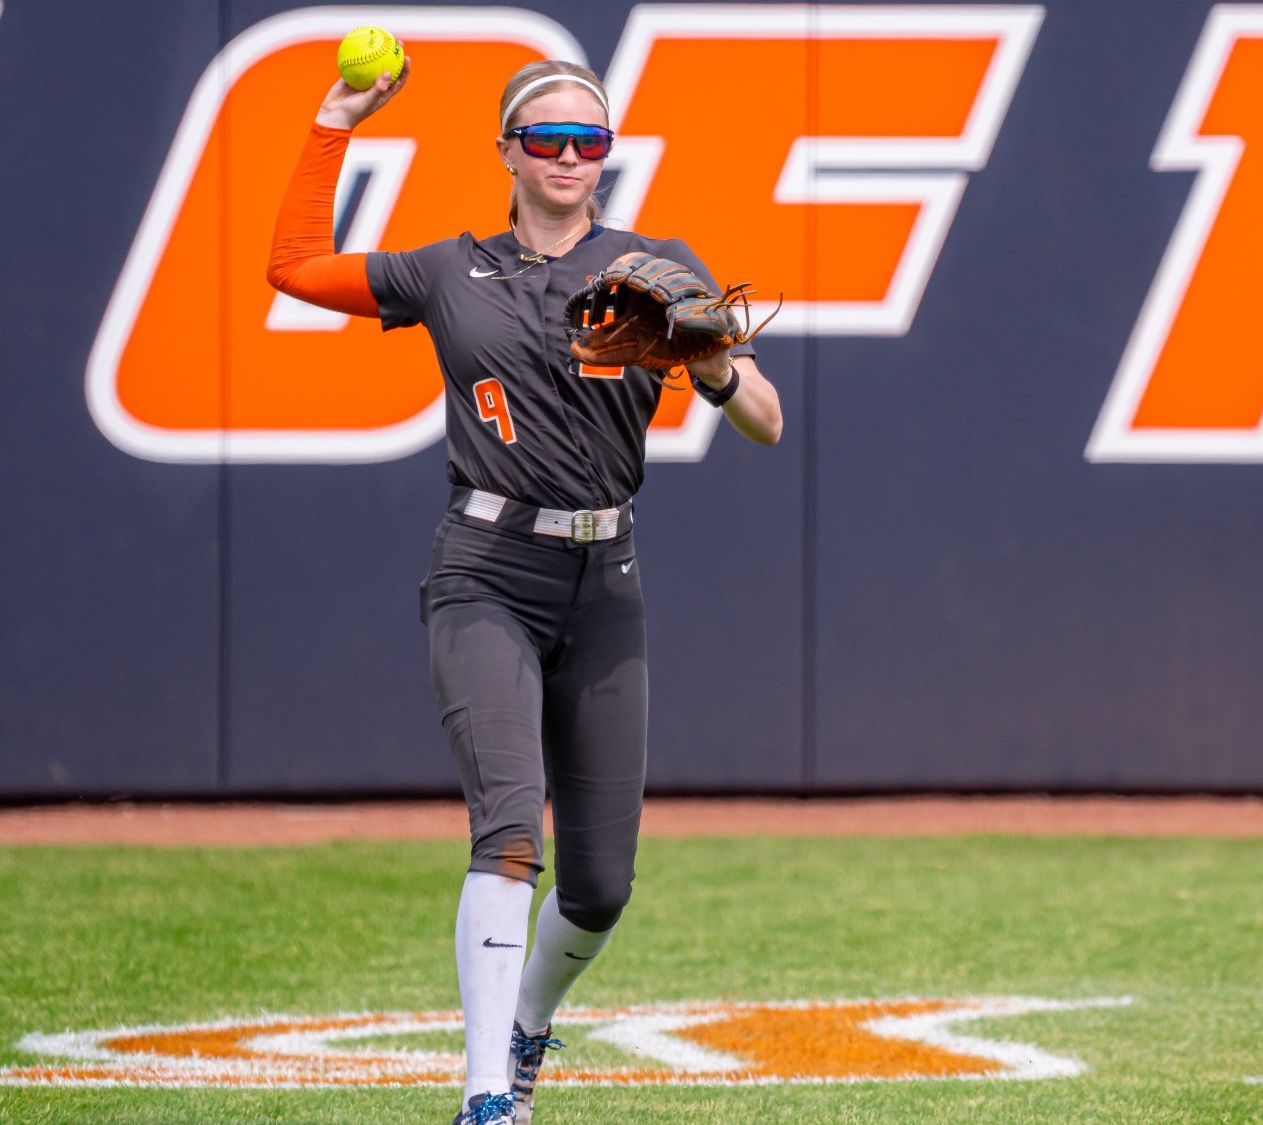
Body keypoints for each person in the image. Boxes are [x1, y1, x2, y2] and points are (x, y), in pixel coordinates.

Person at [267, 51, 783, 1125]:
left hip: (606, 578)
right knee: (507, 830)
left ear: (607, 154)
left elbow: (766, 419)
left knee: (598, 889)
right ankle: (486, 1096)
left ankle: (525, 1029)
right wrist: (332, 121)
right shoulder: (449, 271)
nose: (564, 156)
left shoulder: (652, 265)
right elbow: (294, 266)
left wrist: (709, 362)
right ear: (504, 149)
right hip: (486, 570)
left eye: (585, 140)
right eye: (542, 137)